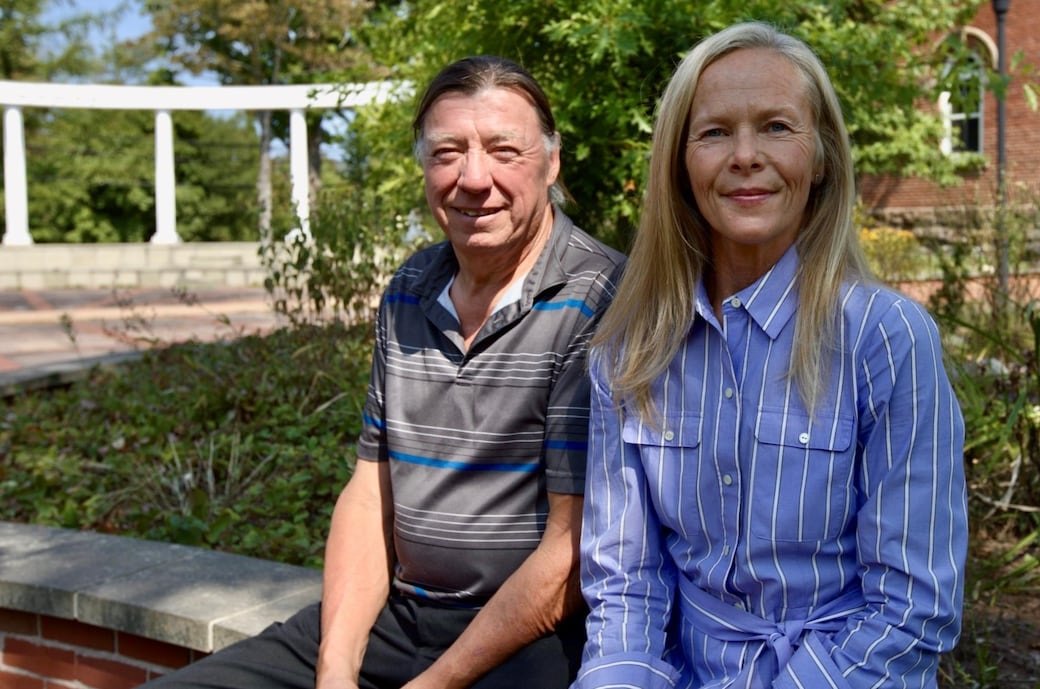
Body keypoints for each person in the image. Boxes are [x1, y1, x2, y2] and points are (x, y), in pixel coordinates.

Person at [143, 55, 624, 689]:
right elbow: (370, 491)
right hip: (401, 618)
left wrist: (433, 685)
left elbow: (571, 554)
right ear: (424, 166)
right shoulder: (410, 289)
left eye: (504, 150)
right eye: (448, 151)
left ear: (551, 161)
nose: (473, 178)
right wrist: (336, 668)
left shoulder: (600, 297)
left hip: (532, 635)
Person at [572, 22, 967, 689]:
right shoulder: (628, 350)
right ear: (679, 162)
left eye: (778, 127)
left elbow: (912, 610)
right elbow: (626, 588)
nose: (746, 155)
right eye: (715, 131)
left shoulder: (888, 339)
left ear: (821, 160)